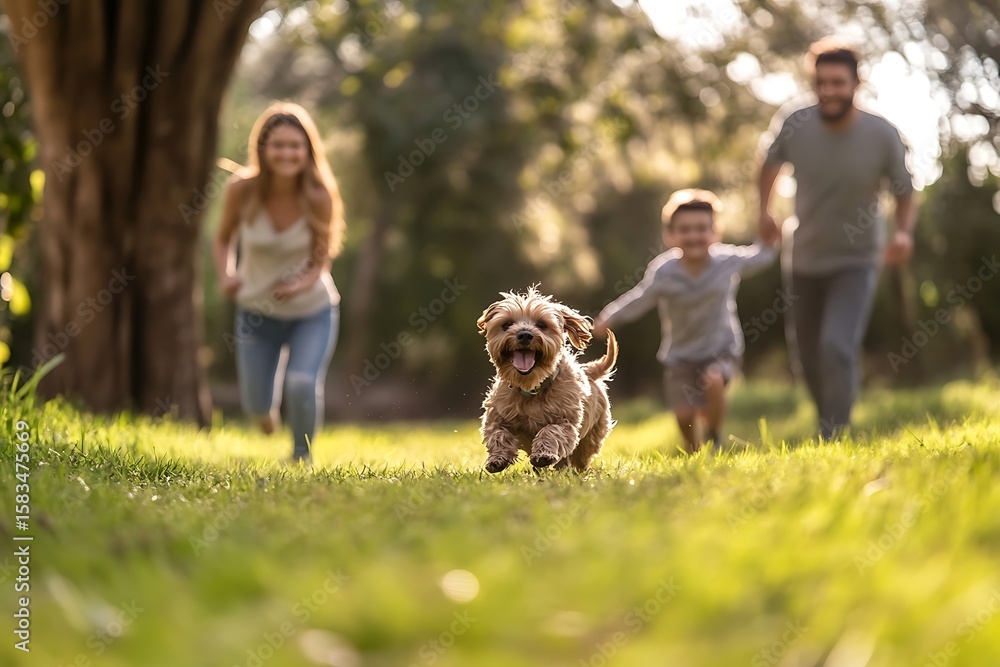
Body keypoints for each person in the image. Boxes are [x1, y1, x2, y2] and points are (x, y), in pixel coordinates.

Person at [758, 39, 918, 439]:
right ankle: (826, 421)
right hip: (804, 257)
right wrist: (764, 210)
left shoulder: (882, 134)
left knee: (836, 346)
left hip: (858, 260)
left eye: (837, 82)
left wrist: (902, 233)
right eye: (820, 82)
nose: (828, 91)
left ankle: (836, 434)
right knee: (807, 356)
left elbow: (904, 190)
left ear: (856, 83)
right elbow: (769, 164)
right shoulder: (795, 122)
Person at [593, 189, 777, 453]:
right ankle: (693, 451)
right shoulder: (664, 271)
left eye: (702, 228)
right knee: (684, 415)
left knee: (714, 380)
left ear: (716, 232)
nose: (694, 236)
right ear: (670, 236)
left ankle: (714, 436)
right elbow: (639, 299)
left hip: (722, 348)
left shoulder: (727, 260)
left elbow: (761, 257)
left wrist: (772, 239)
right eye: (685, 229)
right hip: (680, 355)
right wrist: (608, 318)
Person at [213, 102, 346, 464]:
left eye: (295, 146)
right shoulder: (241, 189)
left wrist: (299, 285)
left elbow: (323, 256)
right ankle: (264, 415)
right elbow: (222, 238)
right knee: (257, 407)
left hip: (312, 310)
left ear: (307, 150)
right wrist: (226, 274)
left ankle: (301, 456)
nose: (287, 153)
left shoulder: (319, 195)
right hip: (256, 311)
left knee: (302, 382)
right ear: (263, 148)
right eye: (278, 145)